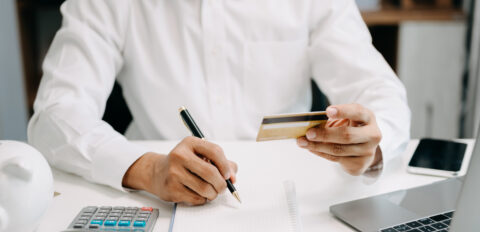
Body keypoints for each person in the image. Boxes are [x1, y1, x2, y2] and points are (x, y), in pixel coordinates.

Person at [28, 0, 410, 205]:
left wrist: (372, 146)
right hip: (158, 203)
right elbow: (55, 114)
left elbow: (383, 95)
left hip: (288, 203)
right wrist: (147, 170)